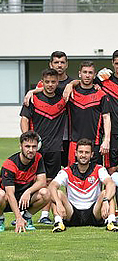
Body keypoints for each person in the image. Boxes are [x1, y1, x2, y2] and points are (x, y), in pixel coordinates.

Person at [19, 70, 67, 225]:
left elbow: (79, 84)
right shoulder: (33, 98)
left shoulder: (63, 97)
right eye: (47, 82)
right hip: (36, 149)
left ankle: (45, 215)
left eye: (53, 82)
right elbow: (24, 119)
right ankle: (23, 213)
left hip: (55, 148)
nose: (50, 85)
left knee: (50, 182)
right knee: (31, 181)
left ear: (57, 82)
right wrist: (29, 141)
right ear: (42, 82)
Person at [48, 138, 118, 232]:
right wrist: (58, 203)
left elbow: (110, 183)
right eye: (81, 152)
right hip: (71, 212)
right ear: (76, 153)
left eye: (87, 152)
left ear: (92, 154)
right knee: (57, 193)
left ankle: (111, 222)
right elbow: (52, 185)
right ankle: (58, 223)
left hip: (94, 212)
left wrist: (105, 200)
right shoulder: (67, 171)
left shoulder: (99, 169)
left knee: (106, 192)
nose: (83, 155)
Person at [0, 131, 51, 232]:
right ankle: (0, 219)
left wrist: (28, 192)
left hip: (25, 199)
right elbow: (10, 194)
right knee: (0, 195)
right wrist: (18, 217)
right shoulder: (9, 165)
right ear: (21, 146)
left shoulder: (38, 158)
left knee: (46, 193)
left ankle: (27, 217)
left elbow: (42, 181)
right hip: (7, 200)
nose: (31, 150)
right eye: (27, 146)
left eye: (34, 147)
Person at [63, 61, 111, 167]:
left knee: (95, 178)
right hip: (74, 143)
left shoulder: (101, 95)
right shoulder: (71, 93)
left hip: (95, 142)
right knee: (72, 177)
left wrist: (106, 139)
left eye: (90, 73)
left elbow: (106, 117)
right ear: (80, 73)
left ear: (94, 75)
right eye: (85, 72)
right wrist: (31, 92)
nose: (87, 75)